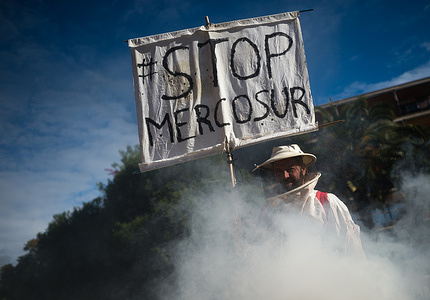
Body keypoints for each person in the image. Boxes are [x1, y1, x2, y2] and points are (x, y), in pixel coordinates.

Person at [255, 144, 365, 257]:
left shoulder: (327, 202)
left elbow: (352, 250)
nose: (285, 175)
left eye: (290, 169)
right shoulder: (267, 212)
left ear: (303, 169)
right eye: (278, 171)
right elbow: (261, 256)